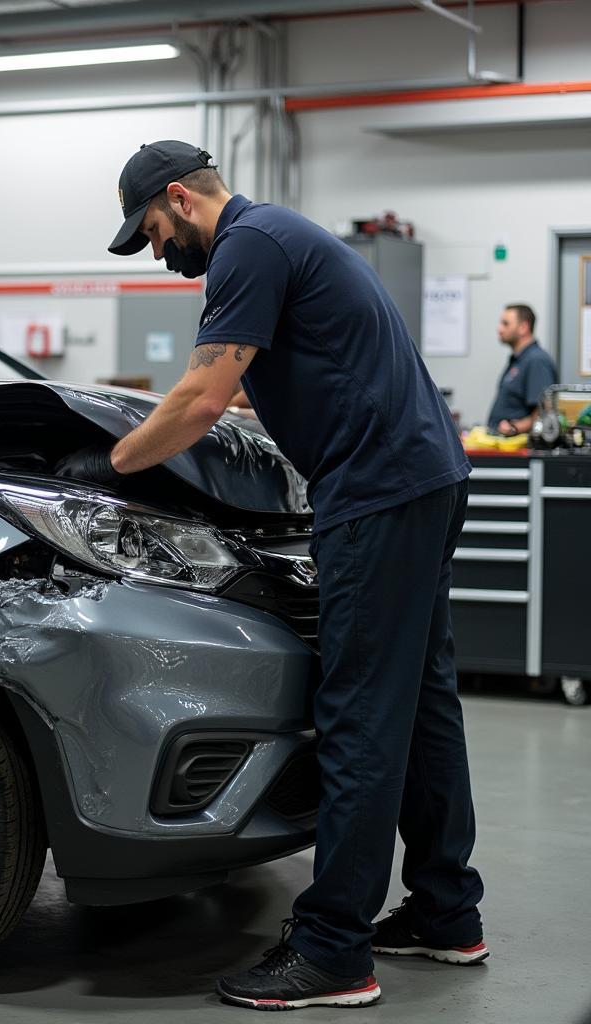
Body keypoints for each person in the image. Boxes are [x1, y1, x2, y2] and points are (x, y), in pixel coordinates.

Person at [56, 141, 487, 1011]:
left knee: (358, 712)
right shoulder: (284, 235)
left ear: (178, 199)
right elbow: (266, 382)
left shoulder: (244, 247)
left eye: (150, 232)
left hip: (376, 493)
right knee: (422, 704)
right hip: (426, 479)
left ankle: (334, 951)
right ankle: (447, 913)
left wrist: (113, 466)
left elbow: (206, 394)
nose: (157, 253)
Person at [487, 304, 557, 436]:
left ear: (523, 327)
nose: (499, 329)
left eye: (505, 324)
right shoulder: (518, 360)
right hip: (502, 444)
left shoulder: (536, 360)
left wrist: (514, 428)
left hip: (519, 448)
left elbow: (543, 412)